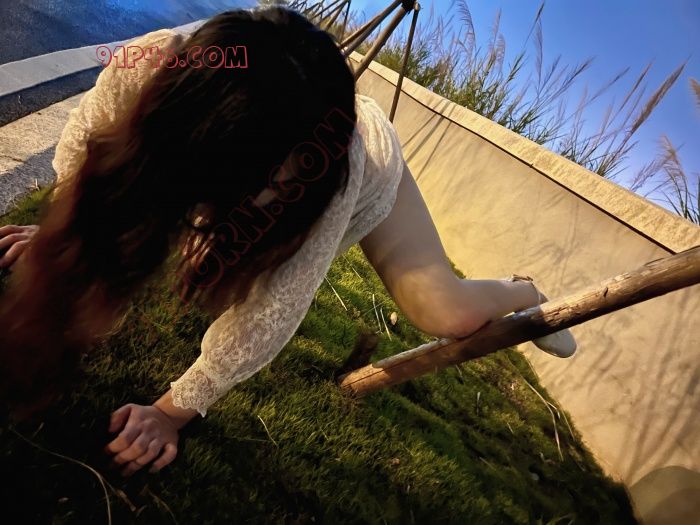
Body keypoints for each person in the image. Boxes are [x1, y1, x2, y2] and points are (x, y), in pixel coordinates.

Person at [0, 6, 575, 477]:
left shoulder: (329, 167)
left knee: (443, 311)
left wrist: (173, 411)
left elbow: (275, 308)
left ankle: (521, 290)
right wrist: (63, 226)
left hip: (372, 167)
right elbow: (91, 142)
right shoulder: (150, 60)